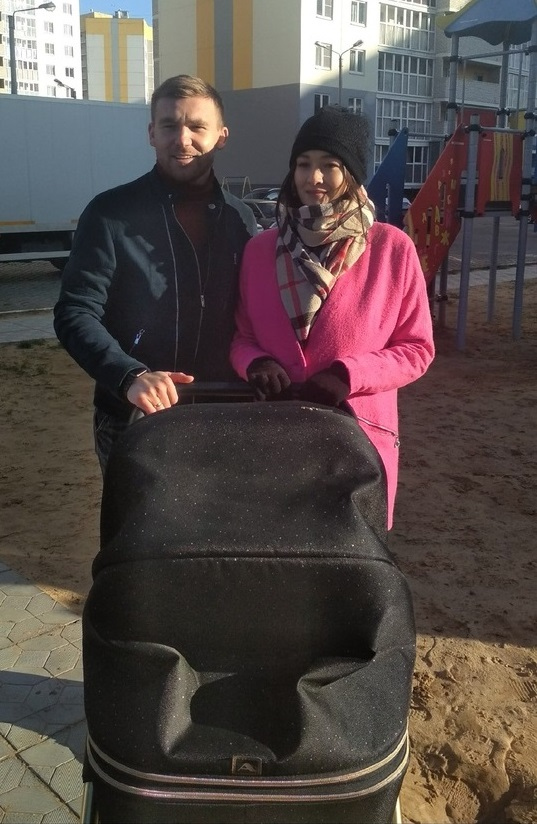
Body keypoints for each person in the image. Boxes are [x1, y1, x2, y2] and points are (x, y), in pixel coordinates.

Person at [230, 106, 434, 529]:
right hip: (276, 435)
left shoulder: (391, 248)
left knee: (353, 552)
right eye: (304, 164)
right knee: (279, 547)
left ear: (352, 173)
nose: (314, 178)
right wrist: (256, 362)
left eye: (330, 165)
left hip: (358, 442)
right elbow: (242, 336)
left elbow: (416, 349)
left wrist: (348, 374)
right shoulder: (260, 250)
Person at [54, 74, 257, 474]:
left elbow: (254, 316)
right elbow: (75, 312)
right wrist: (128, 374)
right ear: (151, 134)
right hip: (134, 415)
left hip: (223, 412)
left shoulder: (242, 219)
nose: (182, 139)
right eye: (169, 125)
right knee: (137, 519)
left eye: (197, 126)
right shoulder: (110, 213)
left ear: (221, 136)